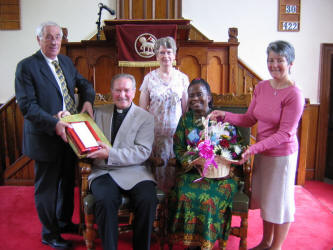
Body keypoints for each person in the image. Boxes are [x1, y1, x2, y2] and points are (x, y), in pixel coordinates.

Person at [209, 40, 304, 250]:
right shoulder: (261, 87)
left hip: (281, 156)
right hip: (262, 152)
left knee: (280, 203)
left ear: (290, 63)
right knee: (266, 201)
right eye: (270, 60)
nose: (274, 65)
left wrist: (252, 149)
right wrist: (225, 115)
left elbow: (284, 133)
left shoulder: (294, 94)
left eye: (280, 60)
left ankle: (276, 247)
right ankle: (265, 242)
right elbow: (249, 118)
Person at [15, 21, 95, 249]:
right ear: (38, 40)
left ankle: (63, 221)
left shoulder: (66, 62)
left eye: (58, 37)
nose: (54, 41)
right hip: (45, 137)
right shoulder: (27, 67)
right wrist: (54, 122)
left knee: (67, 183)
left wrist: (87, 101)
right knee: (47, 188)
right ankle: (49, 234)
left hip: (69, 136)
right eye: (48, 37)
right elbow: (27, 107)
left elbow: (84, 83)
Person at [86, 73, 157, 250]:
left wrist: (111, 154)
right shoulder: (98, 113)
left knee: (148, 198)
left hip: (136, 171)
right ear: (111, 91)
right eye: (118, 90)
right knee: (104, 200)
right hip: (104, 171)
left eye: (126, 90)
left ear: (134, 92)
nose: (122, 95)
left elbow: (143, 152)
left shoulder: (145, 118)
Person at [168, 78, 238, 250]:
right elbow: (177, 147)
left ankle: (207, 242)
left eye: (199, 94)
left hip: (219, 175)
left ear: (209, 97)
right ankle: (191, 242)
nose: (194, 99)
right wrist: (192, 161)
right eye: (191, 96)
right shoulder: (185, 120)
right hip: (193, 172)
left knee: (211, 200)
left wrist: (221, 156)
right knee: (184, 192)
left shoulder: (219, 118)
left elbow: (236, 147)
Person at [139, 36, 190, 192]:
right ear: (156, 55)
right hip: (155, 136)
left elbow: (186, 109)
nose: (165, 56)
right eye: (161, 52)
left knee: (174, 176)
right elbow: (142, 110)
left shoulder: (182, 79)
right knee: (155, 174)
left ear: (174, 55)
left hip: (175, 136)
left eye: (169, 52)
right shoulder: (149, 79)